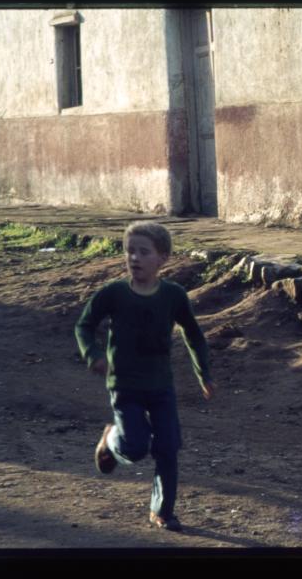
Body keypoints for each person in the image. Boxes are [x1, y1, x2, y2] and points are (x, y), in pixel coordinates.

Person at [75, 221, 217, 531]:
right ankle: (110, 438)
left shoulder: (173, 295)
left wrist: (203, 373)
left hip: (161, 386)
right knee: (136, 447)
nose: (134, 258)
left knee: (168, 447)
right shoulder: (113, 294)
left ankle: (162, 511)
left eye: (143, 252)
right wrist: (93, 355)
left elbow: (193, 334)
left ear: (162, 258)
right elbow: (84, 325)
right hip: (125, 386)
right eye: (130, 252)